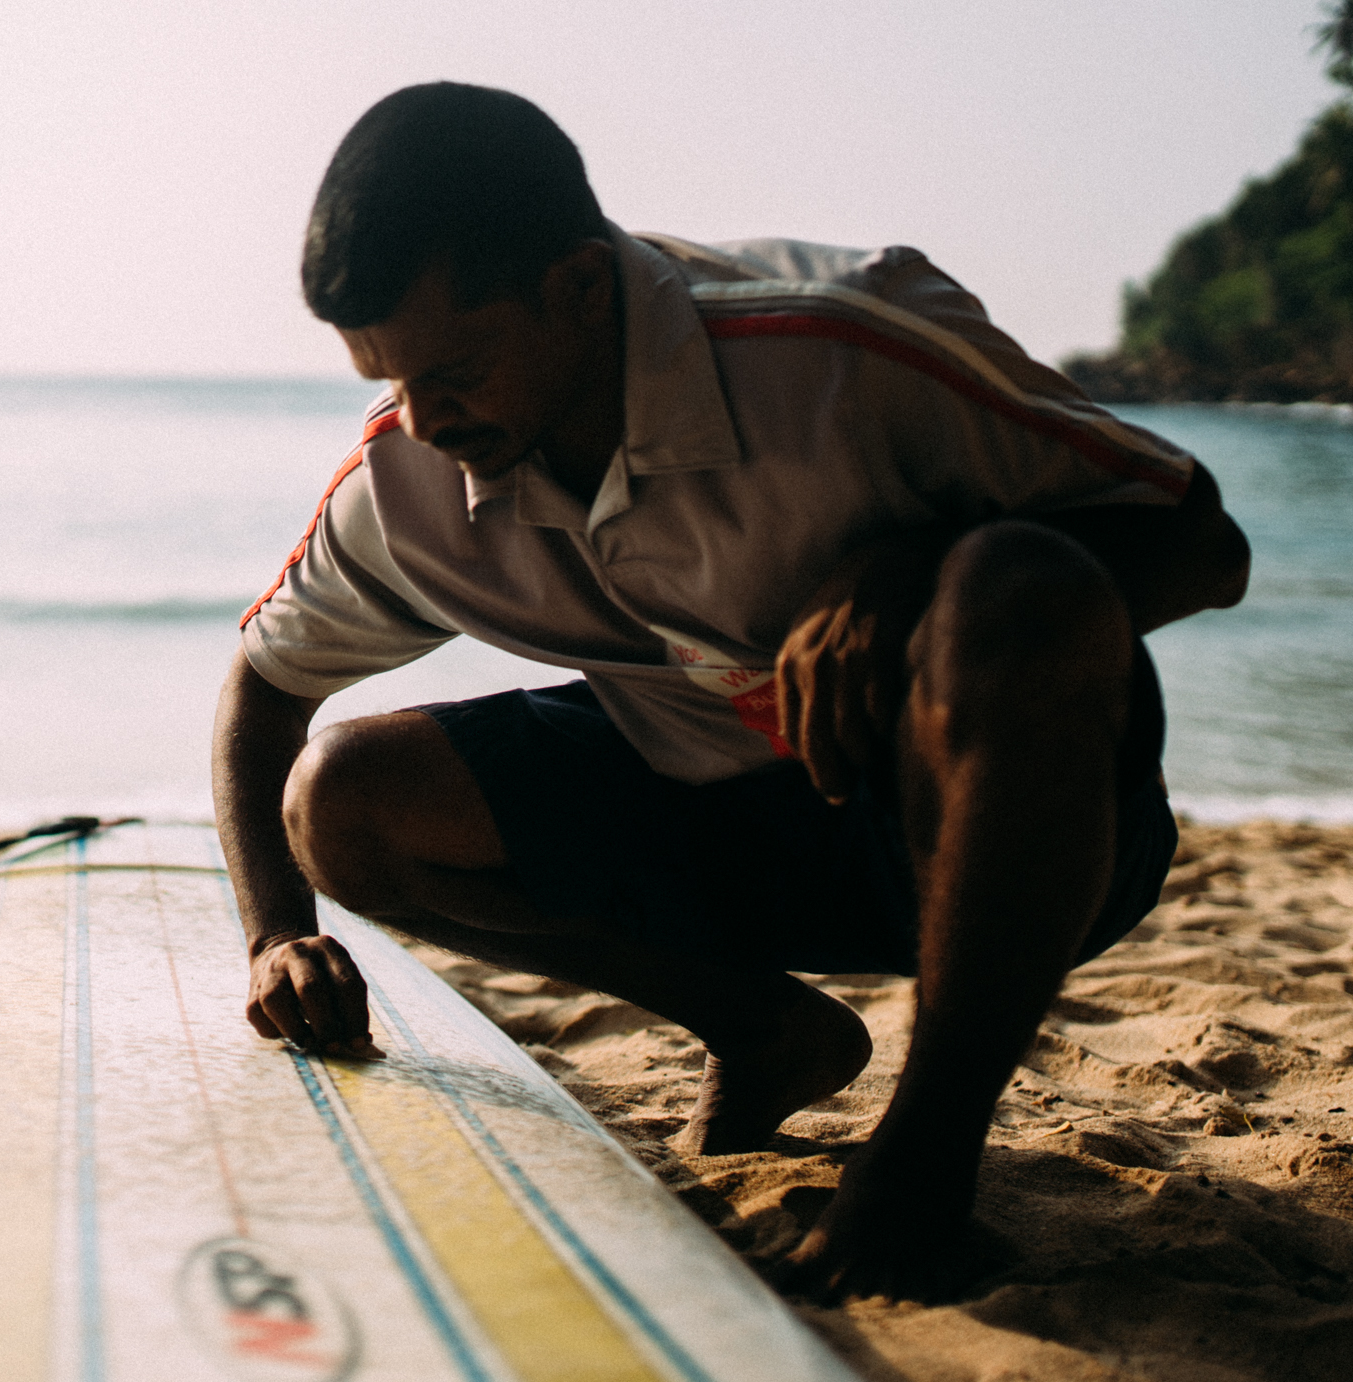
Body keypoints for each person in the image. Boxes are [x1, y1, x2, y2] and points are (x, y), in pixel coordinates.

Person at [212, 82, 1249, 1304]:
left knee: (1007, 583)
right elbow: (261, 696)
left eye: (455, 370)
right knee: (341, 796)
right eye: (386, 379)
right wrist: (279, 934)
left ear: (581, 288)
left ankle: (924, 1164)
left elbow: (1202, 545)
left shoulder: (842, 345)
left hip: (994, 842)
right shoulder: (406, 479)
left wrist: (913, 566)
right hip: (720, 834)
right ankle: (766, 1028)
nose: (424, 421)